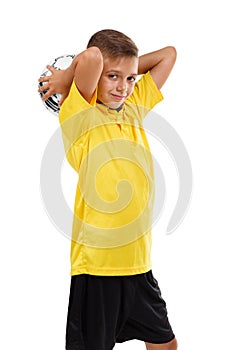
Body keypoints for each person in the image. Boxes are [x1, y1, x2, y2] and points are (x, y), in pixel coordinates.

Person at [38, 29, 177, 350]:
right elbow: (91, 57)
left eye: (129, 79)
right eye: (112, 77)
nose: (124, 87)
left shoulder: (133, 108)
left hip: (138, 262)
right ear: (93, 78)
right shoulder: (80, 114)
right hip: (98, 265)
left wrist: (126, 70)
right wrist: (71, 80)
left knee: (165, 343)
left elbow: (168, 54)